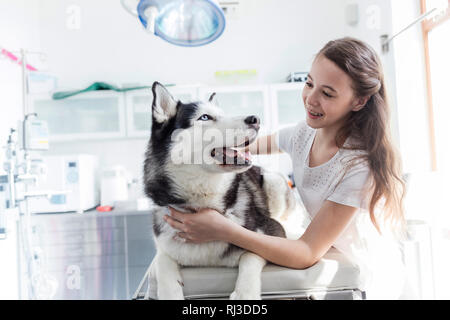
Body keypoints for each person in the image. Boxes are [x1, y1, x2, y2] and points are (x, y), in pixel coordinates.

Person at [164, 37, 408, 299]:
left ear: (358, 101)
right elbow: (243, 148)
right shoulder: (303, 134)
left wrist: (222, 228)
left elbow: (306, 252)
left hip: (362, 277)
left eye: (327, 93)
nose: (311, 99)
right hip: (329, 261)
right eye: (309, 83)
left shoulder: (358, 167)